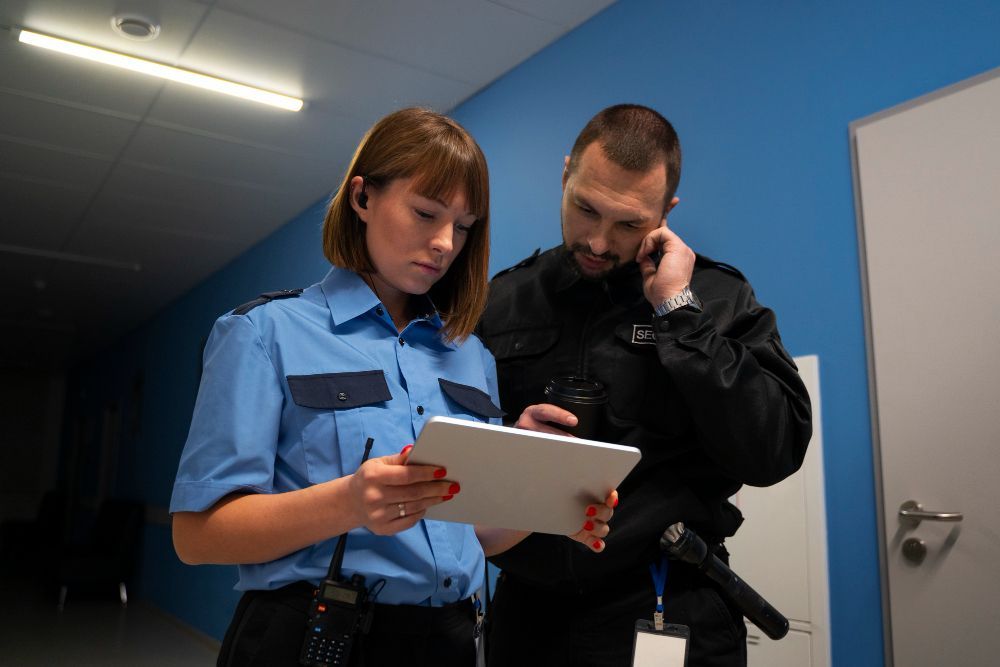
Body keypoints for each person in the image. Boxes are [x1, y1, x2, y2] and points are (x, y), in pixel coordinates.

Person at [169, 107, 614, 667]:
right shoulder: (264, 333)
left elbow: (475, 534)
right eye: (426, 213)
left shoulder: (470, 356)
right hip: (314, 637)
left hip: (452, 642)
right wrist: (349, 501)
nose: (445, 243)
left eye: (464, 226)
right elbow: (197, 535)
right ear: (362, 198)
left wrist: (548, 502)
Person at [476, 104, 812, 666]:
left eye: (629, 224)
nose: (601, 243)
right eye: (585, 209)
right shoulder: (503, 298)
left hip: (666, 603)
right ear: (565, 176)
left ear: (666, 211)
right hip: (526, 616)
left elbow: (775, 449)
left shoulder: (714, 295)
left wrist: (679, 314)